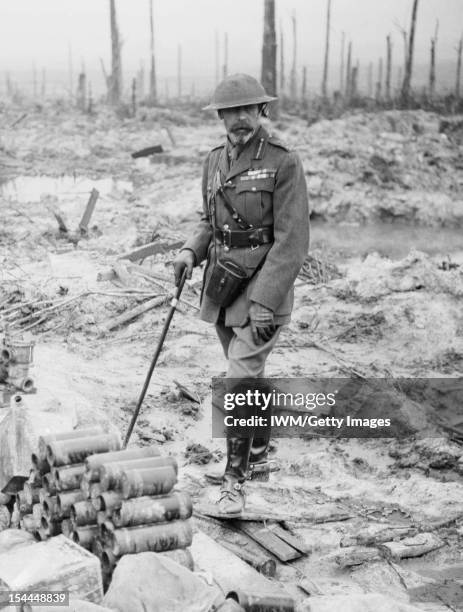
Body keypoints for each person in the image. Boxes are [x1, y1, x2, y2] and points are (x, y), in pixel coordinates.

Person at [173, 73, 309, 515]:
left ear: (261, 112)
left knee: (238, 379)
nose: (239, 120)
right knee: (248, 377)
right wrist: (190, 251)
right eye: (230, 112)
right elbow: (209, 222)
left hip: (263, 292)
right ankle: (257, 455)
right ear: (221, 118)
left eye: (247, 110)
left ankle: (234, 481)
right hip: (222, 289)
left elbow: (292, 241)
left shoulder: (283, 162)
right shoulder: (213, 162)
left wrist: (266, 301)